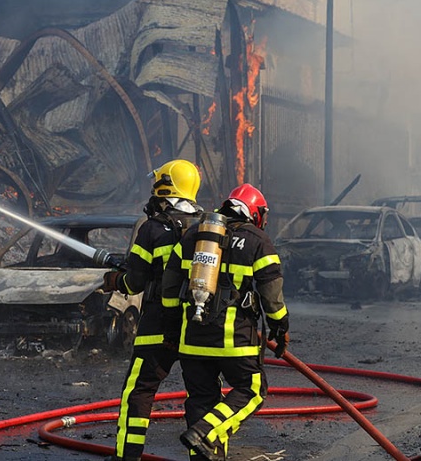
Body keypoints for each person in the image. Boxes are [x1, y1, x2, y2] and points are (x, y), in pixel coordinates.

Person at [161, 183, 288, 461]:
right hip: (233, 339)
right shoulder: (257, 240)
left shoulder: (193, 235)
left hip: (192, 339)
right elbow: (271, 293)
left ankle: (204, 451)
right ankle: (206, 433)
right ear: (256, 213)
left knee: (201, 399)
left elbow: (169, 287)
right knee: (251, 390)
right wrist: (280, 328)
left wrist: (171, 329)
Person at [101, 159, 204, 461]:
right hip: (198, 326)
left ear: (165, 187)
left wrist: (115, 280)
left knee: (139, 392)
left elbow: (134, 283)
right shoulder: (207, 228)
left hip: (158, 326)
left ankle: (128, 456)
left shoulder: (152, 229)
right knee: (203, 396)